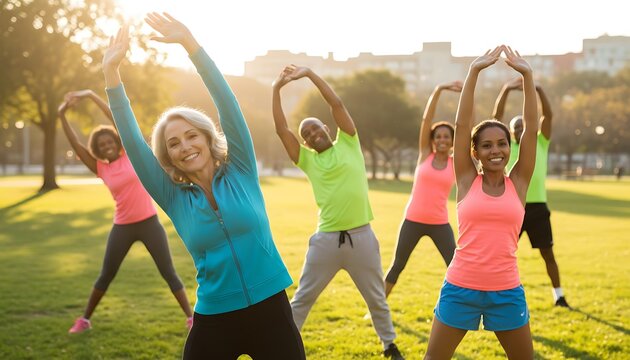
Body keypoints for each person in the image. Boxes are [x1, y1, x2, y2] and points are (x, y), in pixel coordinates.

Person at [102, 15, 305, 359]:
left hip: (270, 307)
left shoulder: (241, 169)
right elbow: (135, 144)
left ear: (208, 139)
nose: (185, 146)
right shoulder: (173, 198)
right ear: (169, 156)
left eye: (191, 135)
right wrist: (111, 76)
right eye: (174, 143)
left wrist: (191, 46)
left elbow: (228, 105)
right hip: (215, 315)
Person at [272, 65, 404, 360]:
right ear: (305, 141)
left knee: (377, 299)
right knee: (303, 298)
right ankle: (284, 348)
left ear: (327, 129)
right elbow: (282, 130)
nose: (313, 133)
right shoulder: (306, 160)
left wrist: (309, 74)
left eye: (316, 127)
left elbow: (337, 104)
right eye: (307, 133)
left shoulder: (349, 142)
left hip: (362, 238)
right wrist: (275, 89)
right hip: (326, 242)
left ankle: (389, 345)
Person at [424, 46, 537, 359]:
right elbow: (462, 127)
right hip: (460, 287)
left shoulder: (520, 183)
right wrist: (473, 72)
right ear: (475, 152)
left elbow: (531, 129)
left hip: (507, 291)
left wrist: (527, 75)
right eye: (486, 145)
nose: (495, 150)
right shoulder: (465, 180)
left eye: (501, 143)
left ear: (510, 147)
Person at [58, 90, 193, 334]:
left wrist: (91, 95)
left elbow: (117, 119)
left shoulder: (130, 154)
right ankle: (85, 319)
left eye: (110, 141)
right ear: (98, 150)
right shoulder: (100, 168)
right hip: (122, 226)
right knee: (106, 274)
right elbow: (76, 145)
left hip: (149, 222)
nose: (107, 146)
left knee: (168, 272)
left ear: (117, 142)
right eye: (102, 145)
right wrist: (61, 115)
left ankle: (191, 318)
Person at [493, 78, 570, 308]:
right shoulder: (506, 146)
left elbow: (548, 116)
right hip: (512, 207)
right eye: (514, 128)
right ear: (509, 132)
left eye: (522, 127)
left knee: (548, 253)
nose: (518, 130)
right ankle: (494, 293)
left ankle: (559, 295)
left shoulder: (539, 143)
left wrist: (537, 89)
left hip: (537, 207)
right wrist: (505, 88)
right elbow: (495, 118)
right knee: (501, 254)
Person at [384, 81, 461, 299]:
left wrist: (466, 95)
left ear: (452, 141)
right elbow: (427, 120)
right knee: (397, 265)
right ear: (433, 140)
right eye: (438, 136)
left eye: (447, 136)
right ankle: (377, 312)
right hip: (412, 220)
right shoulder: (425, 154)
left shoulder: (456, 163)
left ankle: (459, 305)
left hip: (440, 223)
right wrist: (439, 89)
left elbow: (466, 125)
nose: (442, 139)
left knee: (455, 266)